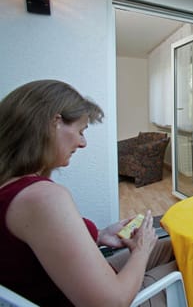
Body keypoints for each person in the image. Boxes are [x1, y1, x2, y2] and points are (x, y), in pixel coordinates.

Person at [0, 80, 176, 306]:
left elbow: (41, 246)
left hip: (70, 285)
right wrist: (142, 250)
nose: (83, 143)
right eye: (81, 131)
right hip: (97, 297)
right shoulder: (42, 198)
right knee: (189, 263)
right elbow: (112, 302)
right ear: (54, 123)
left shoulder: (11, 188)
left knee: (175, 246)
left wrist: (99, 234)